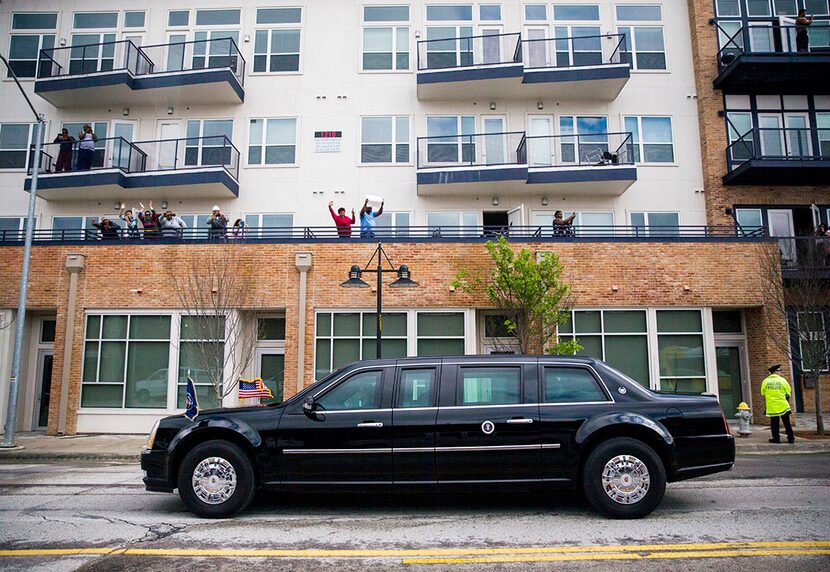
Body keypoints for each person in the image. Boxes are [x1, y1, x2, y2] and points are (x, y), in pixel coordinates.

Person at [761, 364, 794, 444]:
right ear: (775, 372)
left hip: (772, 406)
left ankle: (776, 438)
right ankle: (790, 438)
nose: (780, 372)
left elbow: (762, 392)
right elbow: (788, 392)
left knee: (774, 424)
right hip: (783, 405)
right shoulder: (782, 380)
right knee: (787, 423)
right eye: (779, 370)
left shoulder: (765, 381)